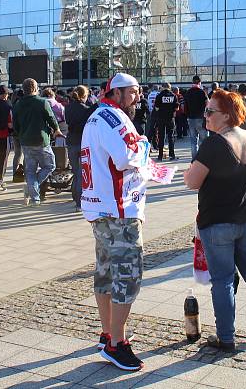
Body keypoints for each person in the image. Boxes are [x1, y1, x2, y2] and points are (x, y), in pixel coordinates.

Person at [182, 89, 246, 350]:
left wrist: (186, 173)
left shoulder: (215, 143)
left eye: (210, 111)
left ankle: (226, 338)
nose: (206, 116)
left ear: (226, 115)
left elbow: (192, 182)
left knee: (223, 279)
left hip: (219, 221)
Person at [81, 73, 150, 371]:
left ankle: (109, 331)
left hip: (101, 207)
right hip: (119, 210)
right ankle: (116, 344)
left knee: (106, 272)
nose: (138, 97)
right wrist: (144, 145)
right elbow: (125, 158)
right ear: (118, 92)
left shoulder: (97, 116)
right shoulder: (114, 118)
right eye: (133, 92)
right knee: (128, 275)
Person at [12, 78, 63, 205]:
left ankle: (34, 197)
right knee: (50, 166)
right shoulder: (42, 102)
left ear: (23, 90)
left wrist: (21, 135)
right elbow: (51, 118)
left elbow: (15, 125)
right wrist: (56, 129)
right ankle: (32, 189)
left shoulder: (18, 104)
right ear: (35, 88)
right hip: (41, 140)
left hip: (25, 141)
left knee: (30, 170)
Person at [64, 85, 91, 210]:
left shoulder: (68, 108)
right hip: (82, 142)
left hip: (71, 142)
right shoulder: (86, 109)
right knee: (82, 173)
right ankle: (79, 201)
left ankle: (75, 197)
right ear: (85, 96)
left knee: (75, 171)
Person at [184, 75, 209, 159]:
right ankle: (203, 158)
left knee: (193, 141)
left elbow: (185, 106)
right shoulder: (202, 92)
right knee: (203, 139)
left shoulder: (188, 92)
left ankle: (194, 159)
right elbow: (208, 104)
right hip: (201, 118)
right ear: (199, 82)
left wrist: (187, 115)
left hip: (191, 118)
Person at [153, 82, 178, 161]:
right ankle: (172, 155)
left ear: (163, 87)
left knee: (161, 137)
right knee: (171, 137)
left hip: (161, 118)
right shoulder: (173, 96)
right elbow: (176, 108)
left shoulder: (159, 96)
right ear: (169, 87)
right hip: (170, 119)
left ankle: (160, 156)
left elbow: (156, 108)